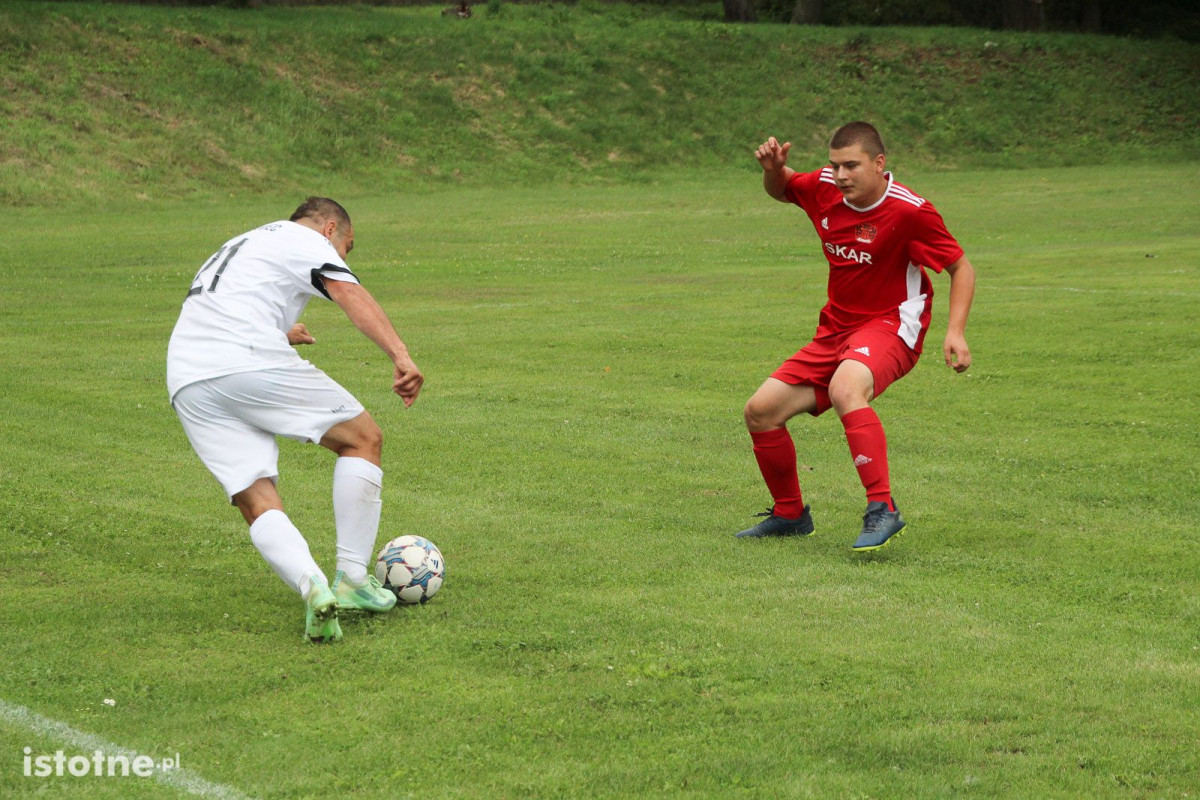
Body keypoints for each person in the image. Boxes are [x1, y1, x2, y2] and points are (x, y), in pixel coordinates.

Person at [166, 197, 424, 641]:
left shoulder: (245, 241)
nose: (342, 257)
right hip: (243, 359)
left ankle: (313, 590)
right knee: (362, 439)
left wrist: (280, 331)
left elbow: (225, 304)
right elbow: (348, 292)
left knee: (254, 496)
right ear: (329, 229)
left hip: (187, 374)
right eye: (347, 246)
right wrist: (400, 356)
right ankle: (352, 580)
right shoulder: (304, 238)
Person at [737, 122, 975, 550]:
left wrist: (955, 332)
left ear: (879, 164)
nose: (841, 175)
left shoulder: (910, 211)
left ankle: (882, 508)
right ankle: (790, 514)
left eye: (851, 165)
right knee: (760, 411)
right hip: (835, 330)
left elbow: (962, 268)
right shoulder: (826, 188)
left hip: (892, 325)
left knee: (846, 387)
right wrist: (774, 170)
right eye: (835, 165)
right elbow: (785, 188)